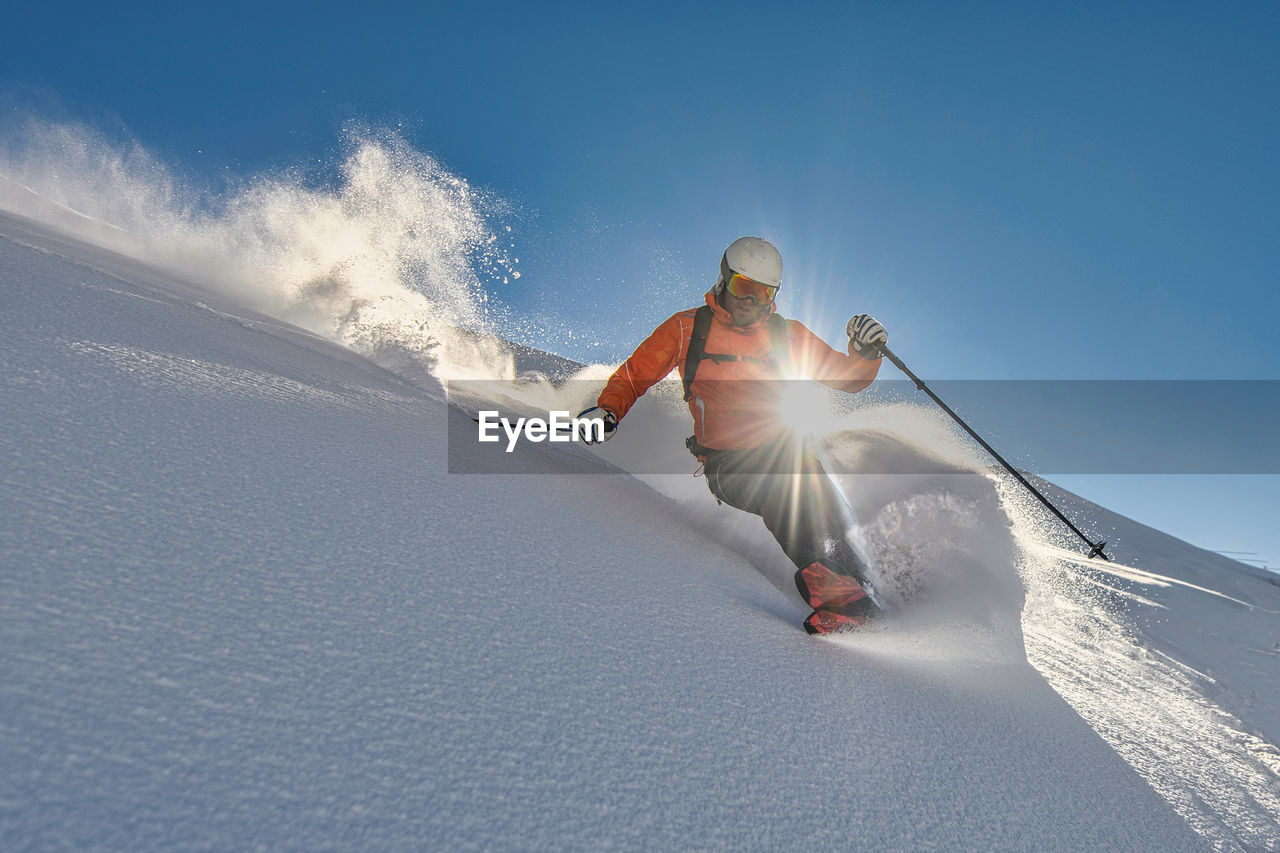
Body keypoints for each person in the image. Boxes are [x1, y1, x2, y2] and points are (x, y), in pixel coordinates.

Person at [578, 236, 889, 634]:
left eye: (763, 293)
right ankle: (840, 598)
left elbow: (845, 378)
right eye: (744, 287)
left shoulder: (786, 335)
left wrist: (866, 352)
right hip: (726, 462)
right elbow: (635, 374)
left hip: (787, 450)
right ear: (725, 280)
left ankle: (869, 593)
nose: (751, 301)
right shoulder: (687, 329)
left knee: (829, 509)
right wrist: (609, 409)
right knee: (781, 493)